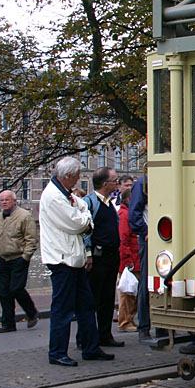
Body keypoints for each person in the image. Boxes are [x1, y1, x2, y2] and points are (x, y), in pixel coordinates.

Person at [40, 156, 113, 366]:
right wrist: (86, 219)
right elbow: (77, 224)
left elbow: (82, 208)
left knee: (86, 305)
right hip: (63, 260)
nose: (79, 179)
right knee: (63, 309)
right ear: (68, 176)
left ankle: (90, 347)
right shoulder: (54, 197)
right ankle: (57, 352)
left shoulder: (65, 194)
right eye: (77, 176)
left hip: (73, 258)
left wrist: (83, 215)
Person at [81, 167, 124, 347]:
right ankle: (86, 338)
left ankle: (105, 335)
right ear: (105, 184)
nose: (117, 183)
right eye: (115, 180)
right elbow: (84, 229)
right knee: (93, 298)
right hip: (97, 257)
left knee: (107, 297)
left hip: (111, 256)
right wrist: (88, 254)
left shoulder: (109, 203)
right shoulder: (89, 202)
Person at [0, 190, 39, 332]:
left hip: (18, 258)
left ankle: (31, 312)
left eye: (7, 199)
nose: (4, 202)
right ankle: (8, 324)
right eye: (1, 200)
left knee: (16, 288)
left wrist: (26, 257)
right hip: (2, 258)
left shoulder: (25, 216)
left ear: (14, 201)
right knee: (4, 292)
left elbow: (31, 239)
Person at [129, 174, 153, 342]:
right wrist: (145, 232)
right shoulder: (143, 183)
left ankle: (159, 327)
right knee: (146, 281)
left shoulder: (143, 182)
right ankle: (144, 326)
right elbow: (134, 215)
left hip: (158, 235)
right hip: (150, 238)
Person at [116, 188, 139, 332]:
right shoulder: (124, 215)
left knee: (131, 291)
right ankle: (125, 321)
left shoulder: (126, 214)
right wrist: (127, 259)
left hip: (134, 257)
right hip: (131, 259)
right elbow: (123, 239)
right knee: (128, 293)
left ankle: (128, 319)